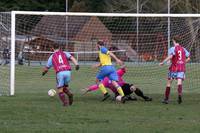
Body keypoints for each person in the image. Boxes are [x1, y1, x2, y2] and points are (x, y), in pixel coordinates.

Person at [83, 66, 152, 101]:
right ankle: (126, 98)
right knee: (117, 98)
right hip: (117, 92)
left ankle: (144, 97)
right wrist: (89, 89)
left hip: (125, 87)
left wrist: (123, 66)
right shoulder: (104, 80)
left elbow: (123, 70)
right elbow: (97, 86)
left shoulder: (116, 73)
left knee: (133, 87)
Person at [159, 35, 190, 104]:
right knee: (179, 82)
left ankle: (166, 99)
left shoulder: (173, 48)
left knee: (169, 83)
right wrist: (182, 62)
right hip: (181, 68)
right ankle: (179, 95)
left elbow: (170, 56)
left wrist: (163, 62)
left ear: (174, 41)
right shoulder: (183, 49)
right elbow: (188, 58)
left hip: (174, 68)